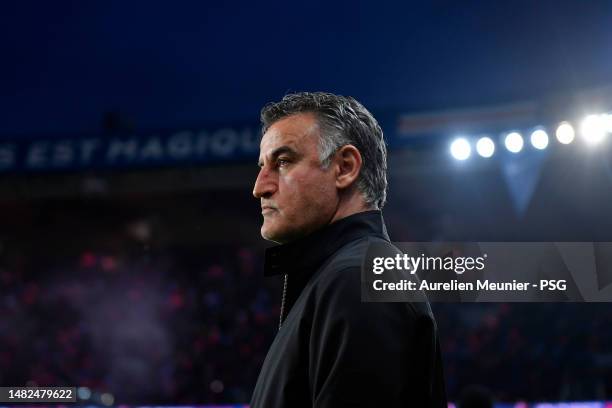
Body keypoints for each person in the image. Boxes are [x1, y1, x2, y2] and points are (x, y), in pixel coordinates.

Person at [250, 92, 447, 407]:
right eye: (262, 166)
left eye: (283, 161)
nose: (260, 186)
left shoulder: (356, 278)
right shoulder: (341, 276)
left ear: (344, 167)